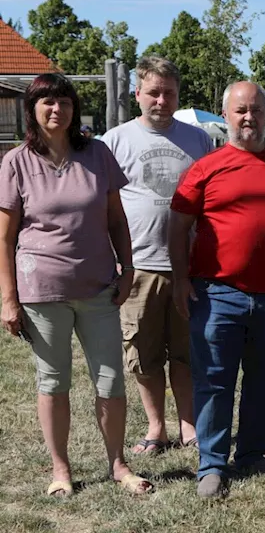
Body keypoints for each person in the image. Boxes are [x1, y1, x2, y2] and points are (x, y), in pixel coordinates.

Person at [0, 73, 153, 497]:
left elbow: (117, 220)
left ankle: (118, 464)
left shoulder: (98, 154)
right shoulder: (16, 162)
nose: (57, 109)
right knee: (53, 381)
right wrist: (8, 299)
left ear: (74, 108)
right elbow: (5, 239)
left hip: (99, 288)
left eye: (64, 101)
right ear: (32, 110)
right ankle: (60, 470)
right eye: (47, 102)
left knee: (110, 380)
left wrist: (128, 268)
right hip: (41, 292)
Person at [170, 81, 265, 499]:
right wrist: (180, 278)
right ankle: (212, 464)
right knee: (214, 381)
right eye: (241, 111)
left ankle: (251, 453)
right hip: (217, 293)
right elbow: (178, 225)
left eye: (257, 111)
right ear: (226, 115)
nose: (249, 118)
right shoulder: (206, 167)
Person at [101, 57, 214, 456]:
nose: (161, 100)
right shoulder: (115, 141)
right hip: (139, 265)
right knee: (144, 353)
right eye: (153, 92)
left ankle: (188, 425)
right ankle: (155, 428)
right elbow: (104, 205)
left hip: (188, 265)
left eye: (169, 92)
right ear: (138, 94)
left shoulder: (199, 140)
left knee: (187, 351)